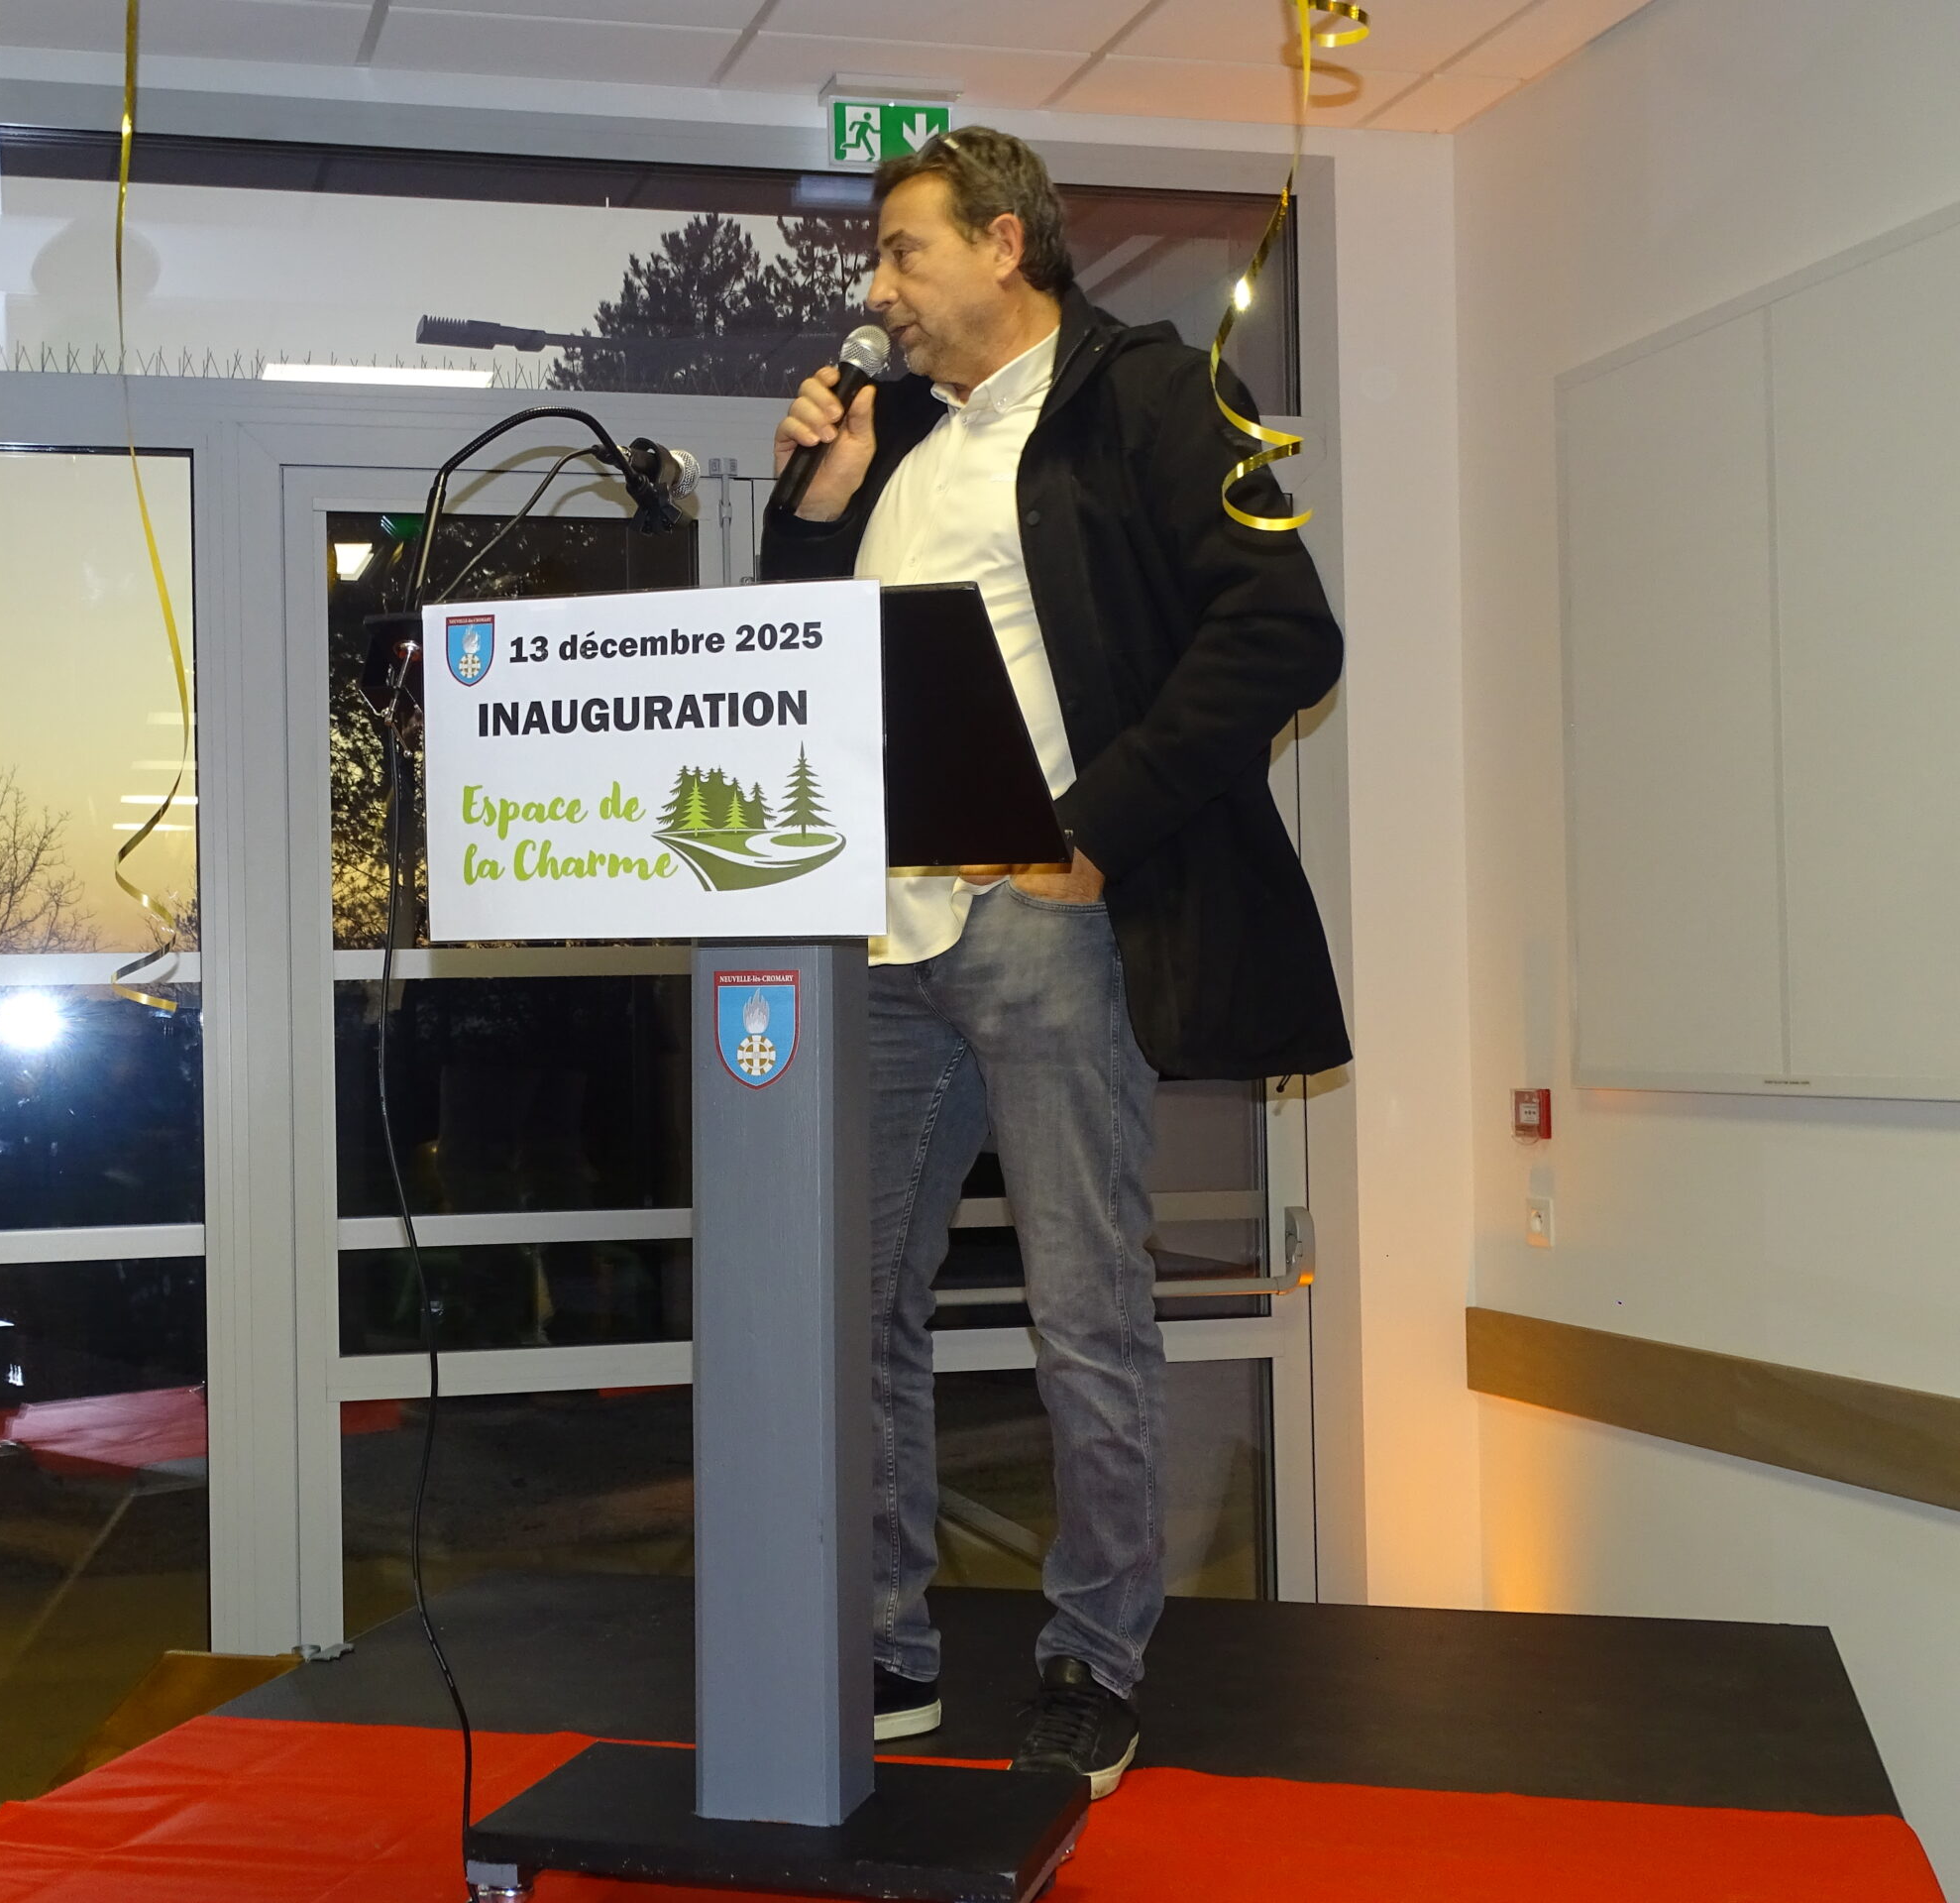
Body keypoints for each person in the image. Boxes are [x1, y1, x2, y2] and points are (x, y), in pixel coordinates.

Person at [759, 127, 1350, 1799]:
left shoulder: (1144, 398)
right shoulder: (892, 441)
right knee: (856, 1301)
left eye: (903, 250)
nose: (878, 287)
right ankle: (886, 1640)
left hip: (1043, 926)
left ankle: (1095, 1661)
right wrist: (813, 509)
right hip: (885, 934)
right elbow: (802, 669)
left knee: (1084, 1306)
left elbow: (1284, 630)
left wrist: (1100, 827)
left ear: (1003, 244)